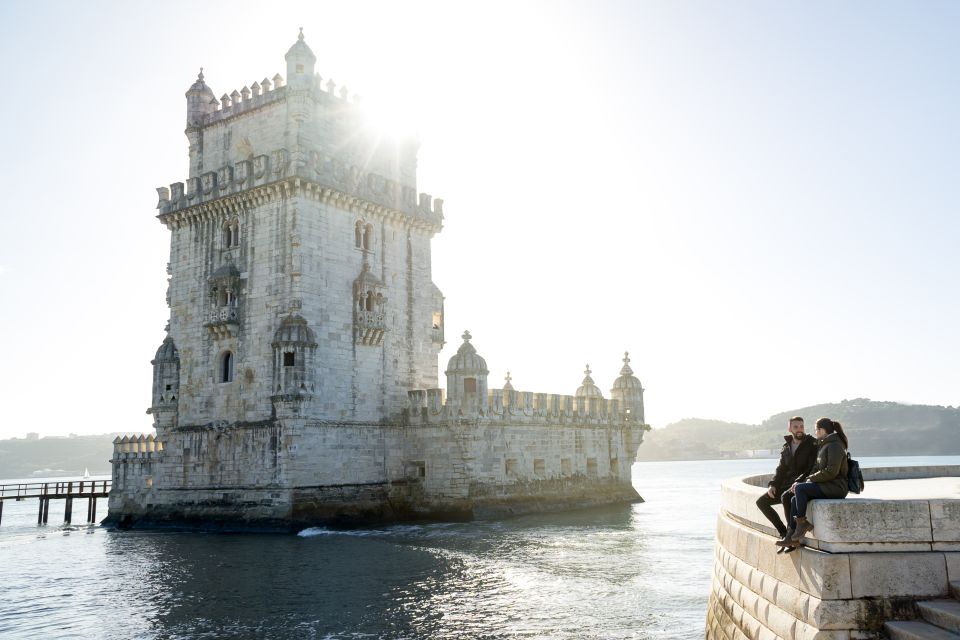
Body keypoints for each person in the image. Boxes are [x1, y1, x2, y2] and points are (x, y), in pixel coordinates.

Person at [777, 417, 849, 549]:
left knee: (800, 490)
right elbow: (816, 469)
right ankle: (790, 536)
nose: (815, 432)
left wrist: (810, 480)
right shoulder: (824, 445)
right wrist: (804, 481)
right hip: (826, 485)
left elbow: (831, 472)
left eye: (816, 430)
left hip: (836, 487)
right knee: (794, 499)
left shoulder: (835, 446)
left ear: (822, 430)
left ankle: (802, 523)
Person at [755, 416, 817, 545]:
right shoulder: (786, 446)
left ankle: (791, 536)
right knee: (761, 502)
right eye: (796, 427)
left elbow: (812, 468)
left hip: (802, 484)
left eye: (801, 426)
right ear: (790, 428)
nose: (799, 429)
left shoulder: (811, 444)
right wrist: (773, 485)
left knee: (786, 497)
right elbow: (781, 469)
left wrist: (800, 481)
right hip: (786, 484)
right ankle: (784, 533)